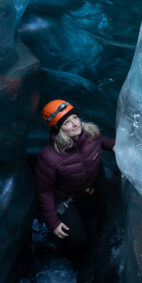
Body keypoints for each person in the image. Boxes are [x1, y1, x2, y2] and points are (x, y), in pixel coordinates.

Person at [34, 99, 115, 258]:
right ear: (58, 129)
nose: (76, 124)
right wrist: (53, 222)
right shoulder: (49, 157)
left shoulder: (91, 134)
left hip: (89, 190)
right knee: (78, 239)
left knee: (95, 222)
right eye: (67, 123)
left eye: (75, 118)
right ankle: (69, 260)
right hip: (66, 200)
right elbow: (44, 192)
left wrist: (116, 146)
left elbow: (103, 142)